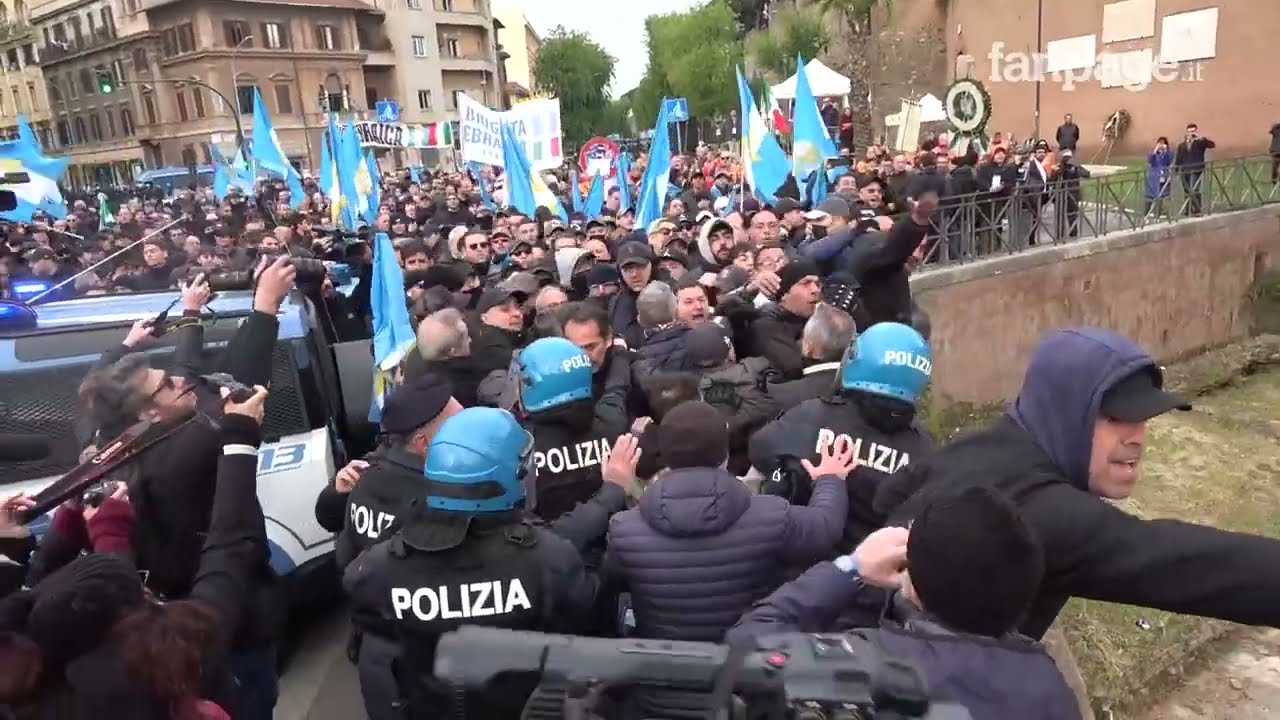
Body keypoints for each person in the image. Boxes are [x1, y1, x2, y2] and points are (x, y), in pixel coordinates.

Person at [875, 326, 1280, 642]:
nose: (1136, 435)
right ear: (1065, 411)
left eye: (1142, 417)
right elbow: (1192, 565)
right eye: (1115, 417)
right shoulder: (1050, 515)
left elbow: (886, 495)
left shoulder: (976, 447)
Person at [342, 408, 636, 719]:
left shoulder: (382, 565)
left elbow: (368, 614)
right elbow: (584, 615)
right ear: (510, 476)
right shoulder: (547, 558)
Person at [0, 386, 271, 718]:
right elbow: (229, 547)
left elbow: (29, 589)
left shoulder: (38, 681)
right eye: (168, 383)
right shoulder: (157, 662)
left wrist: (39, 535)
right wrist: (240, 439)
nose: (181, 381)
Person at [728, 486, 1082, 719]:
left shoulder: (868, 662)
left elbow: (745, 647)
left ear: (912, 585)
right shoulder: (1052, 690)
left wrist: (851, 567)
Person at [603, 400, 850, 643]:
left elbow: (611, 583)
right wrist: (830, 479)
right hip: (746, 661)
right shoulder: (771, 515)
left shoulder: (624, 529)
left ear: (665, 457)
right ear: (726, 454)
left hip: (665, 666)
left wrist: (614, 488)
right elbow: (826, 527)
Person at [751, 322, 934, 553]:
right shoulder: (922, 446)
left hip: (807, 570)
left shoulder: (811, 415)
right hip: (884, 574)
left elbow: (759, 450)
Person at [518, 336, 630, 520]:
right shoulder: (611, 423)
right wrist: (620, 356)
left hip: (545, 542)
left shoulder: (519, 447)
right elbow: (616, 391)